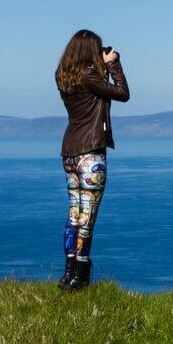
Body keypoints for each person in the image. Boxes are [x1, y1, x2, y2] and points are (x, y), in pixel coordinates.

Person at [54, 28, 130, 291]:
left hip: (70, 152)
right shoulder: (89, 75)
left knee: (74, 214)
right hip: (91, 154)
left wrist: (102, 68)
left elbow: (95, 91)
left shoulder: (64, 76)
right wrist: (114, 64)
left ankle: (68, 272)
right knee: (88, 217)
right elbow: (122, 93)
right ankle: (80, 275)